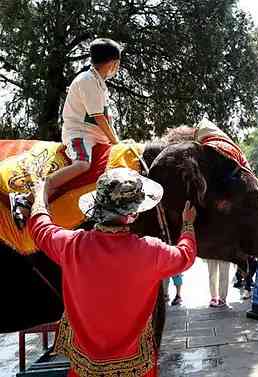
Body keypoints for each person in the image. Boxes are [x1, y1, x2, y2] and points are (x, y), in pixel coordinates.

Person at [27, 168, 197, 377]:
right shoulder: (151, 252)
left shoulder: (71, 245)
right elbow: (185, 256)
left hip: (85, 367)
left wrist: (40, 193)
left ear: (97, 206)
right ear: (133, 213)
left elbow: (39, 227)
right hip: (136, 366)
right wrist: (187, 225)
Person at [11, 38, 122, 229]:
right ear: (113, 63)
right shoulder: (87, 80)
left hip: (95, 136)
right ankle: (30, 195)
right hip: (80, 134)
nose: (117, 67)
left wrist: (117, 141)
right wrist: (117, 142)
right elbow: (99, 118)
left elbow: (106, 118)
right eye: (118, 63)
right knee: (82, 164)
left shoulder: (99, 83)